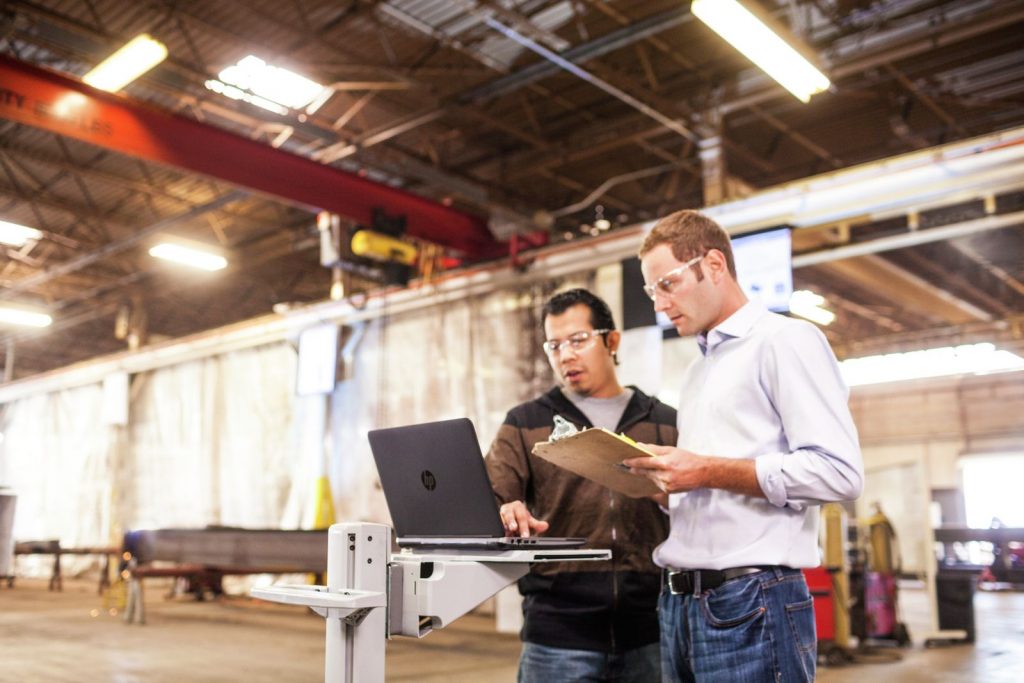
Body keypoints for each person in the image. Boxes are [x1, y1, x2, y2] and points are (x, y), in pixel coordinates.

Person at [626, 210, 864, 682]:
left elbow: (839, 472)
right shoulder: (699, 370)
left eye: (667, 284)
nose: (659, 304)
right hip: (682, 604)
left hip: (752, 599)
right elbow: (716, 483)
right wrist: (670, 488)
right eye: (652, 291)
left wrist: (707, 471)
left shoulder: (785, 341)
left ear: (714, 265)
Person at [485, 288, 678, 683]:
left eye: (577, 340)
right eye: (554, 345)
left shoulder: (664, 421)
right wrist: (505, 510)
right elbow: (494, 494)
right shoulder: (525, 422)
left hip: (652, 630)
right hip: (557, 634)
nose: (565, 355)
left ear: (612, 341)